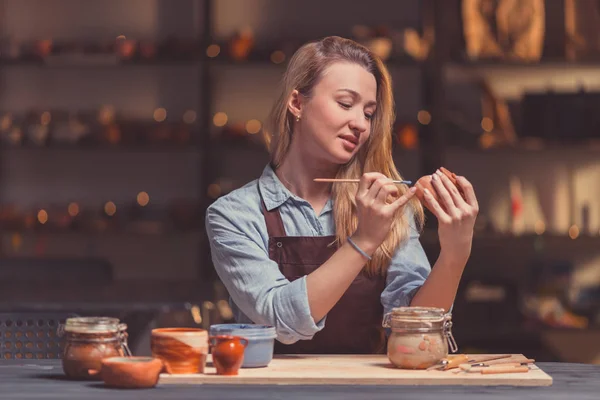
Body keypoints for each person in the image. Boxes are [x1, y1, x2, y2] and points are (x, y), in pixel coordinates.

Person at [205, 36, 479, 354]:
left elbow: (416, 333)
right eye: (346, 104)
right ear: (297, 103)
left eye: (368, 112)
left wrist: (454, 256)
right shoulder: (235, 214)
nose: (361, 124)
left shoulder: (385, 206)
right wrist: (363, 242)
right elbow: (280, 320)